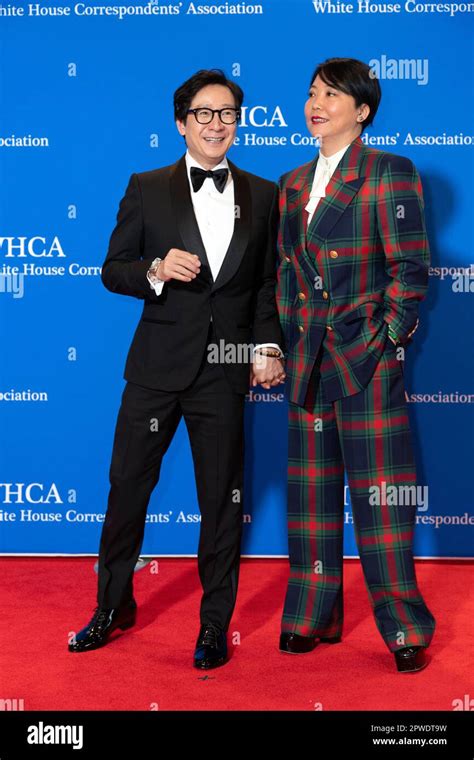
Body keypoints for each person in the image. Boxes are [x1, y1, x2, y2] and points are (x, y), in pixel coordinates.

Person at [68, 69, 285, 669]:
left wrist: (267, 346)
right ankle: (112, 607)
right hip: (156, 369)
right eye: (204, 113)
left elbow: (268, 285)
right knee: (126, 489)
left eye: (227, 114)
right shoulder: (147, 185)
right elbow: (114, 269)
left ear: (238, 122)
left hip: (225, 370)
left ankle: (214, 624)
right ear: (181, 121)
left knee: (220, 501)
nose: (217, 124)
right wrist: (156, 270)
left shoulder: (266, 195)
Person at [276, 58, 435, 673]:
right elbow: (285, 276)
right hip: (307, 360)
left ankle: (403, 627)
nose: (316, 103)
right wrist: (283, 346)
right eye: (312, 92)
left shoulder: (389, 172)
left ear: (362, 110)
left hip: (364, 358)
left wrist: (386, 338)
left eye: (332, 95)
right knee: (311, 497)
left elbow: (410, 270)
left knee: (383, 498)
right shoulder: (290, 184)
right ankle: (310, 614)